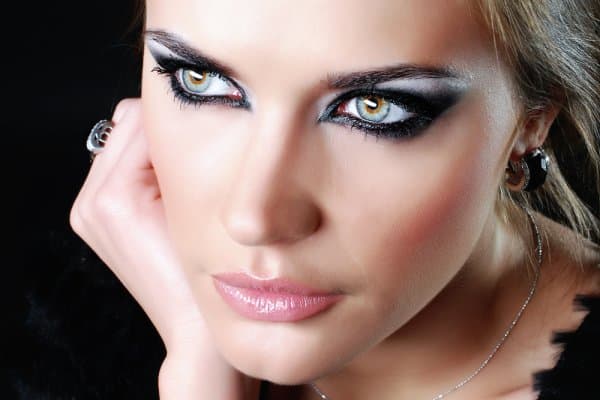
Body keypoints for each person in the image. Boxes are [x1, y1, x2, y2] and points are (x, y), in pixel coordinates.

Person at [70, 0, 600, 399]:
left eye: (374, 108)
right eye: (201, 81)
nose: (254, 220)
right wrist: (198, 359)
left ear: (532, 121)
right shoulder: (77, 344)